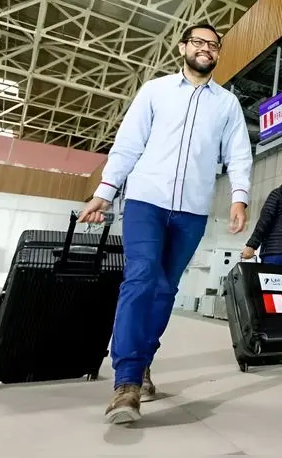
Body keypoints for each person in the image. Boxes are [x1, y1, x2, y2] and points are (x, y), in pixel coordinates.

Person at [79, 23, 253, 425]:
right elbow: (128, 143)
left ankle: (142, 364)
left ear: (218, 53)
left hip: (191, 208)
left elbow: (239, 154)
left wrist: (240, 197)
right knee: (140, 278)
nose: (205, 49)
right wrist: (106, 191)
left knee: (164, 289)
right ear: (183, 48)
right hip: (145, 200)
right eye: (198, 42)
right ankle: (126, 383)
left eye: (213, 45)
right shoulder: (155, 91)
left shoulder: (226, 105)